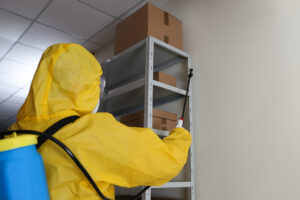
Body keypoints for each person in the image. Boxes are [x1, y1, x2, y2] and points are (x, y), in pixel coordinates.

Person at [9, 43, 192, 200]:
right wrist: (181, 136)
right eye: (96, 84)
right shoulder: (90, 132)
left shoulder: (16, 131)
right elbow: (164, 163)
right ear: (83, 87)